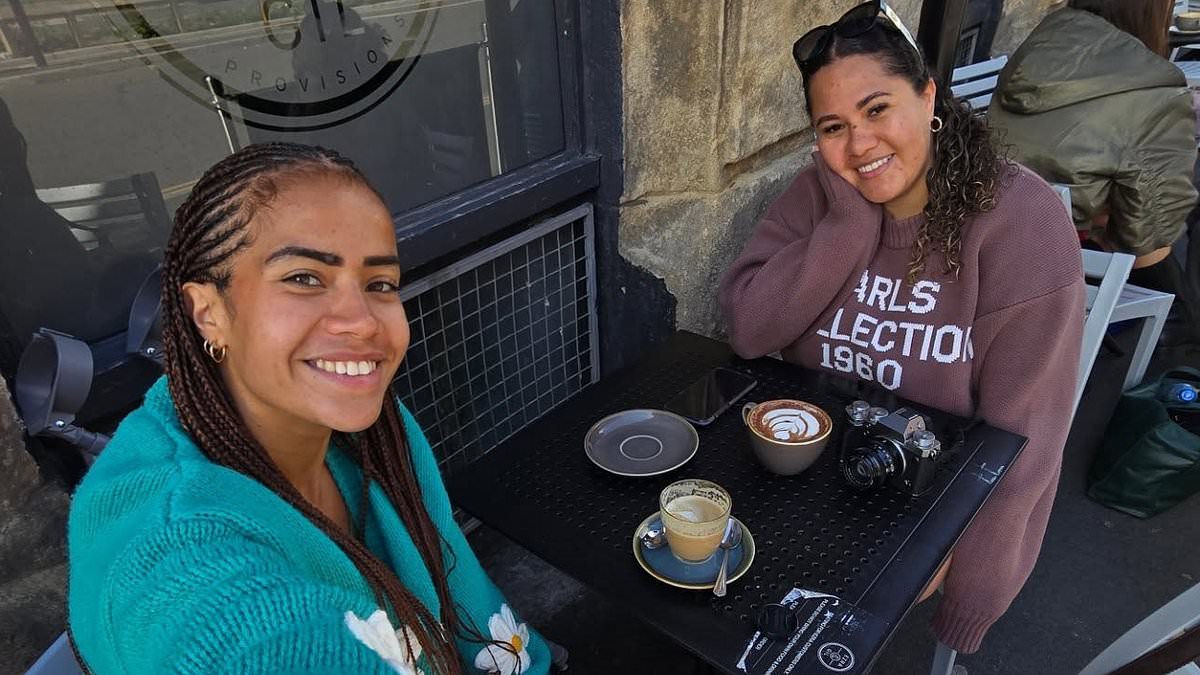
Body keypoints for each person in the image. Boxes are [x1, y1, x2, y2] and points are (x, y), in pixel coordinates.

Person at [68, 143, 551, 675]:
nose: (363, 320)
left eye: (380, 284)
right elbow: (237, 634)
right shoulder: (170, 537)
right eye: (303, 278)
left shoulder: (374, 429)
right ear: (208, 313)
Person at [719, 1, 1085, 655]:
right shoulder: (821, 194)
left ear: (926, 96)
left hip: (920, 513)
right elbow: (749, 327)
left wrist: (971, 594)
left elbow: (1021, 447)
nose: (858, 144)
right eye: (833, 125)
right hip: (804, 483)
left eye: (877, 108)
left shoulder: (1021, 225)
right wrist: (847, 226)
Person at [988, 0, 1198, 330]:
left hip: (988, 260)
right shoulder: (1156, 93)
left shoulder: (1041, 46)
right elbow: (1148, 242)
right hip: (1069, 294)